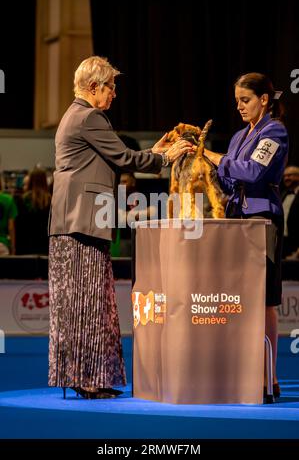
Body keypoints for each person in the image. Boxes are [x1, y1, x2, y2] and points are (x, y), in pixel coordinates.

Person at [48, 55, 193, 399]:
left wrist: (153, 153)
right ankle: (89, 378)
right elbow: (125, 159)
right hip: (81, 224)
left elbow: (118, 156)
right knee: (91, 302)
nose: (114, 93)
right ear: (95, 87)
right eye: (111, 86)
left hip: (74, 223)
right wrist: (165, 158)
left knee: (82, 303)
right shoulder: (91, 117)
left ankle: (82, 375)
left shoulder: (76, 116)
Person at [204, 72, 288, 399]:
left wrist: (212, 157)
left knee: (265, 298)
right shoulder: (239, 136)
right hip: (235, 219)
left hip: (263, 218)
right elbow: (229, 179)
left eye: (245, 100)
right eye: (237, 100)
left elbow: (253, 171)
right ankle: (243, 370)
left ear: (264, 100)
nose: (239, 106)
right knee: (239, 299)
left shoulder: (275, 130)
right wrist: (202, 164)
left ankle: (270, 377)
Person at [15, 167, 51, 255]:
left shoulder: (22, 200)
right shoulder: (51, 200)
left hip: (25, 245)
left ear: (30, 181)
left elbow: (18, 224)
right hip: (44, 245)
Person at [281, 165, 299, 258]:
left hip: (296, 244)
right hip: (284, 241)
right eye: (284, 176)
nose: (286, 178)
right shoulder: (283, 194)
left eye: (289, 175)